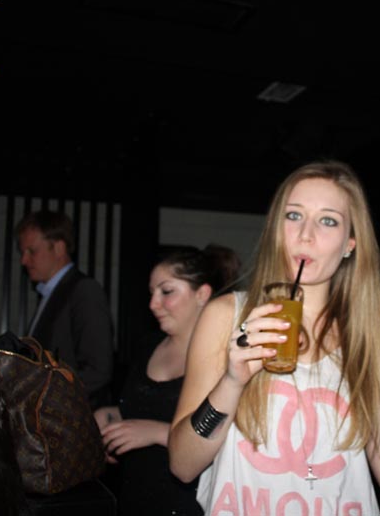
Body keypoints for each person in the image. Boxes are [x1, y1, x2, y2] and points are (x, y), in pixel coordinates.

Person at [168, 160, 380, 514]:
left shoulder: (358, 339)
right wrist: (232, 382)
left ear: (349, 244)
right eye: (294, 215)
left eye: (327, 220)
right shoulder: (228, 317)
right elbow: (182, 464)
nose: (306, 234)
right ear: (276, 229)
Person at [94, 244, 241, 515]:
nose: (153, 304)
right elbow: (145, 407)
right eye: (151, 293)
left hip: (190, 500)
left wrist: (156, 432)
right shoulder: (148, 346)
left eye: (167, 291)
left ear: (202, 294)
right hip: (135, 495)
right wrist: (108, 419)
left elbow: (232, 435)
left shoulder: (228, 358)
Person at [15, 209, 114, 409]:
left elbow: (98, 370)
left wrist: (43, 398)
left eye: (31, 251)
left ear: (59, 248)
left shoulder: (83, 290)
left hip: (65, 415)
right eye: (23, 253)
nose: (24, 260)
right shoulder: (52, 292)